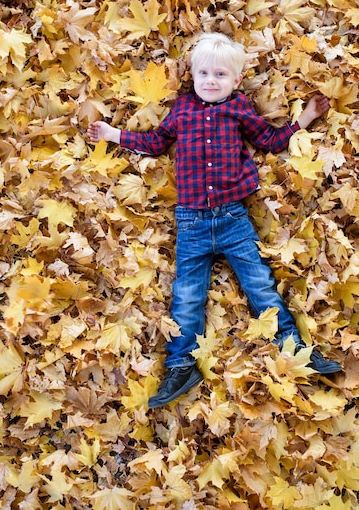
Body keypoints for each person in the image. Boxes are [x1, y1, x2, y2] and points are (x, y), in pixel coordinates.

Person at [87, 32, 342, 408]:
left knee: (260, 286)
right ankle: (181, 364)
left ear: (236, 81)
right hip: (190, 221)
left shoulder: (239, 109)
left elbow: (271, 141)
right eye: (203, 72)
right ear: (192, 74)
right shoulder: (182, 110)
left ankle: (294, 347)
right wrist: (112, 134)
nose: (211, 80)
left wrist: (305, 117)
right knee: (187, 296)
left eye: (220, 75)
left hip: (233, 218)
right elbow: (157, 143)